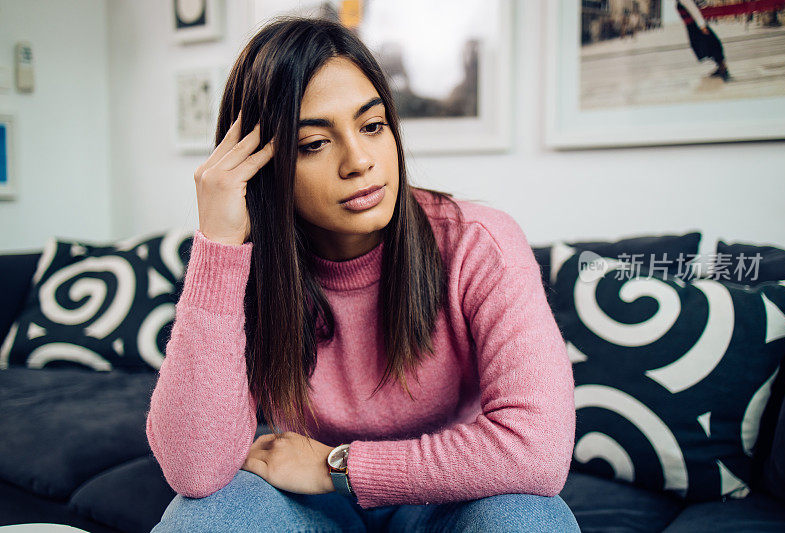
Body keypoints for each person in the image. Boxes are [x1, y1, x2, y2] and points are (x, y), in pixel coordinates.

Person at [146, 15, 578, 532]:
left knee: (528, 517)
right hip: (315, 512)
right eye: (314, 144)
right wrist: (218, 244)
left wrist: (339, 465)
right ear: (264, 167)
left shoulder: (479, 243)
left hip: (451, 497)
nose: (359, 161)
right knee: (202, 518)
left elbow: (538, 449)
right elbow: (194, 470)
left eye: (372, 127)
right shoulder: (250, 266)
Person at [676, 0, 731, 81]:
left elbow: (694, 10)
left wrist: (702, 26)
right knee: (709, 45)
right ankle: (721, 68)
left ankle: (722, 69)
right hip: (694, 26)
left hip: (696, 26)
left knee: (711, 45)